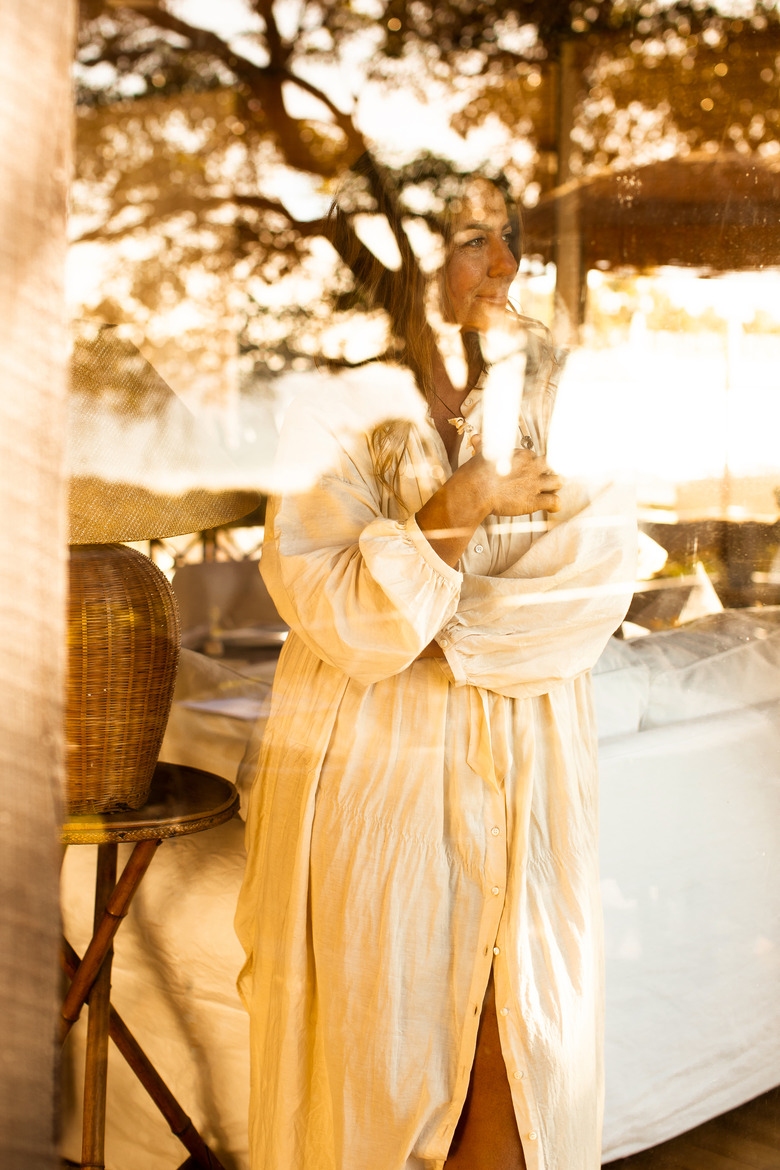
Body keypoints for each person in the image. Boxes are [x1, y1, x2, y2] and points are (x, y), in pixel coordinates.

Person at [235, 158, 636, 1170]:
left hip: (533, 766)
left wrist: (421, 609)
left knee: (521, 1043)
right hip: (381, 777)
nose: (504, 263)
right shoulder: (333, 412)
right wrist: (459, 512)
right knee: (384, 1065)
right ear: (410, 263)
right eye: (471, 241)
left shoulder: (558, 397)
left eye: (509, 239)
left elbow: (592, 585)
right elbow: (335, 612)